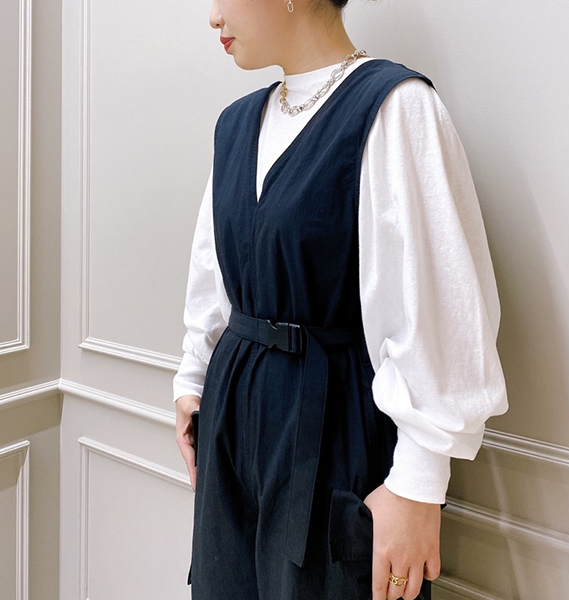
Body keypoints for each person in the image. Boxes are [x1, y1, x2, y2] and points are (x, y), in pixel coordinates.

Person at [173, 0, 509, 597]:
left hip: (331, 425)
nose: (213, 17)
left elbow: (443, 302)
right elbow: (215, 273)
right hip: (231, 419)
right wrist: (192, 379)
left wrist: (418, 481)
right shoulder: (236, 124)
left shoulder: (394, 107)